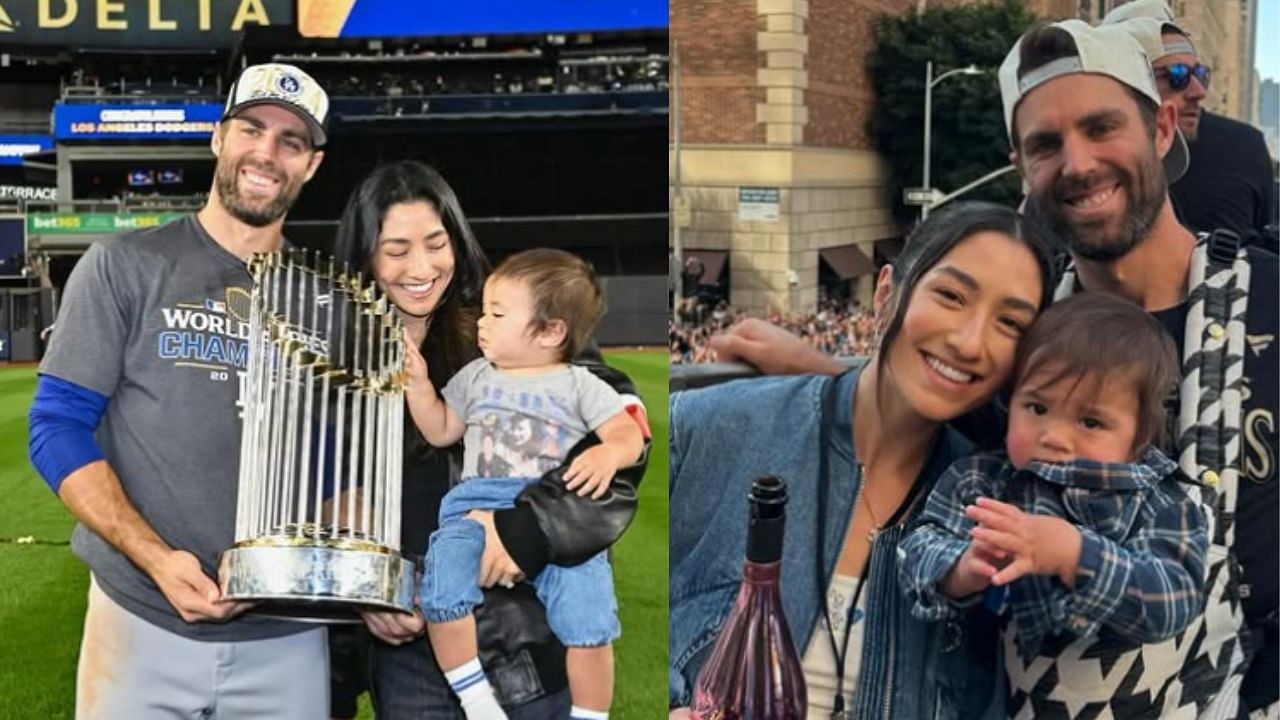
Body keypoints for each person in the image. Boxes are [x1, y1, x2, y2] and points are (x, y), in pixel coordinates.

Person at [715, 16, 1278, 717]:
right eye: (1047, 145)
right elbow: (933, 394)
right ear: (1023, 169)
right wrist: (820, 366)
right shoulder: (1030, 344)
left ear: (1162, 130)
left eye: (1102, 127)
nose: (1077, 164)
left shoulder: (1269, 300)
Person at [669, 201, 1058, 718]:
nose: (969, 342)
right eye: (950, 295)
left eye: (1009, 324)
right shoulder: (709, 430)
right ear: (886, 292)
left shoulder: (999, 517)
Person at [27, 63, 332, 718]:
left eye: (291, 141)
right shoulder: (125, 265)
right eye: (252, 129)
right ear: (219, 138)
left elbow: (338, 462)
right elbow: (56, 425)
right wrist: (156, 558)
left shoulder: (328, 302)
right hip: (139, 621)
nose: (267, 153)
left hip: (287, 634)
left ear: (311, 165)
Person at [331, 161, 651, 719]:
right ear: (364, 256)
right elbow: (321, 480)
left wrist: (525, 532)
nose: (421, 266)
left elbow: (620, 443)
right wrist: (364, 582)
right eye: (397, 249)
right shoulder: (341, 356)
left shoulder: (509, 329)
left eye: (436, 243)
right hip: (407, 649)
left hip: (519, 637)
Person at [900, 292, 1207, 719]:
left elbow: (1174, 600)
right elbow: (917, 545)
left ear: (1142, 436)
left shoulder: (1159, 499)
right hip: (1006, 694)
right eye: (1037, 407)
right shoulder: (986, 479)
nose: (1055, 436)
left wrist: (1076, 554)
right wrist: (961, 567)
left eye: (1090, 421)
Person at [407, 248, 644, 720]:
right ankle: (475, 699)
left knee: (591, 622)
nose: (483, 323)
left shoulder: (581, 384)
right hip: (473, 502)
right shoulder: (475, 376)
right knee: (441, 590)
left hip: (546, 510)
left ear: (551, 330)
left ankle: (590, 715)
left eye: (497, 313)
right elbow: (441, 430)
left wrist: (608, 452)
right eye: (484, 312)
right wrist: (417, 384)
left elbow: (628, 435)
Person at [1102, 0, 1278, 244]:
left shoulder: (1244, 147)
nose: (1198, 92)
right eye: (1178, 76)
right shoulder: (1083, 163)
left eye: (1200, 75)